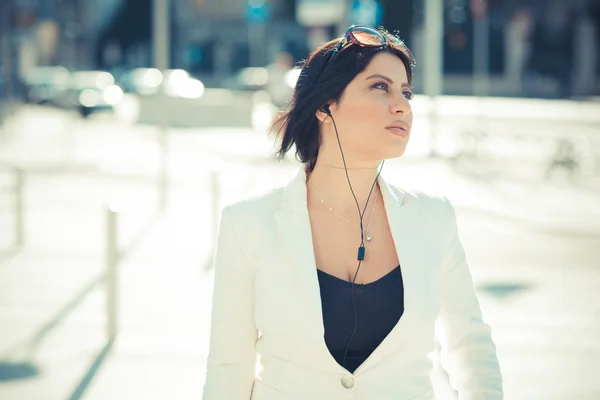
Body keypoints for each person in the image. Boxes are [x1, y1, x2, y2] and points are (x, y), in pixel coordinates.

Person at [202, 25, 503, 400]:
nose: (402, 105)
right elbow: (228, 369)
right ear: (325, 106)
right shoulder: (248, 223)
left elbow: (470, 348)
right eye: (381, 87)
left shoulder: (433, 218)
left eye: (406, 92)